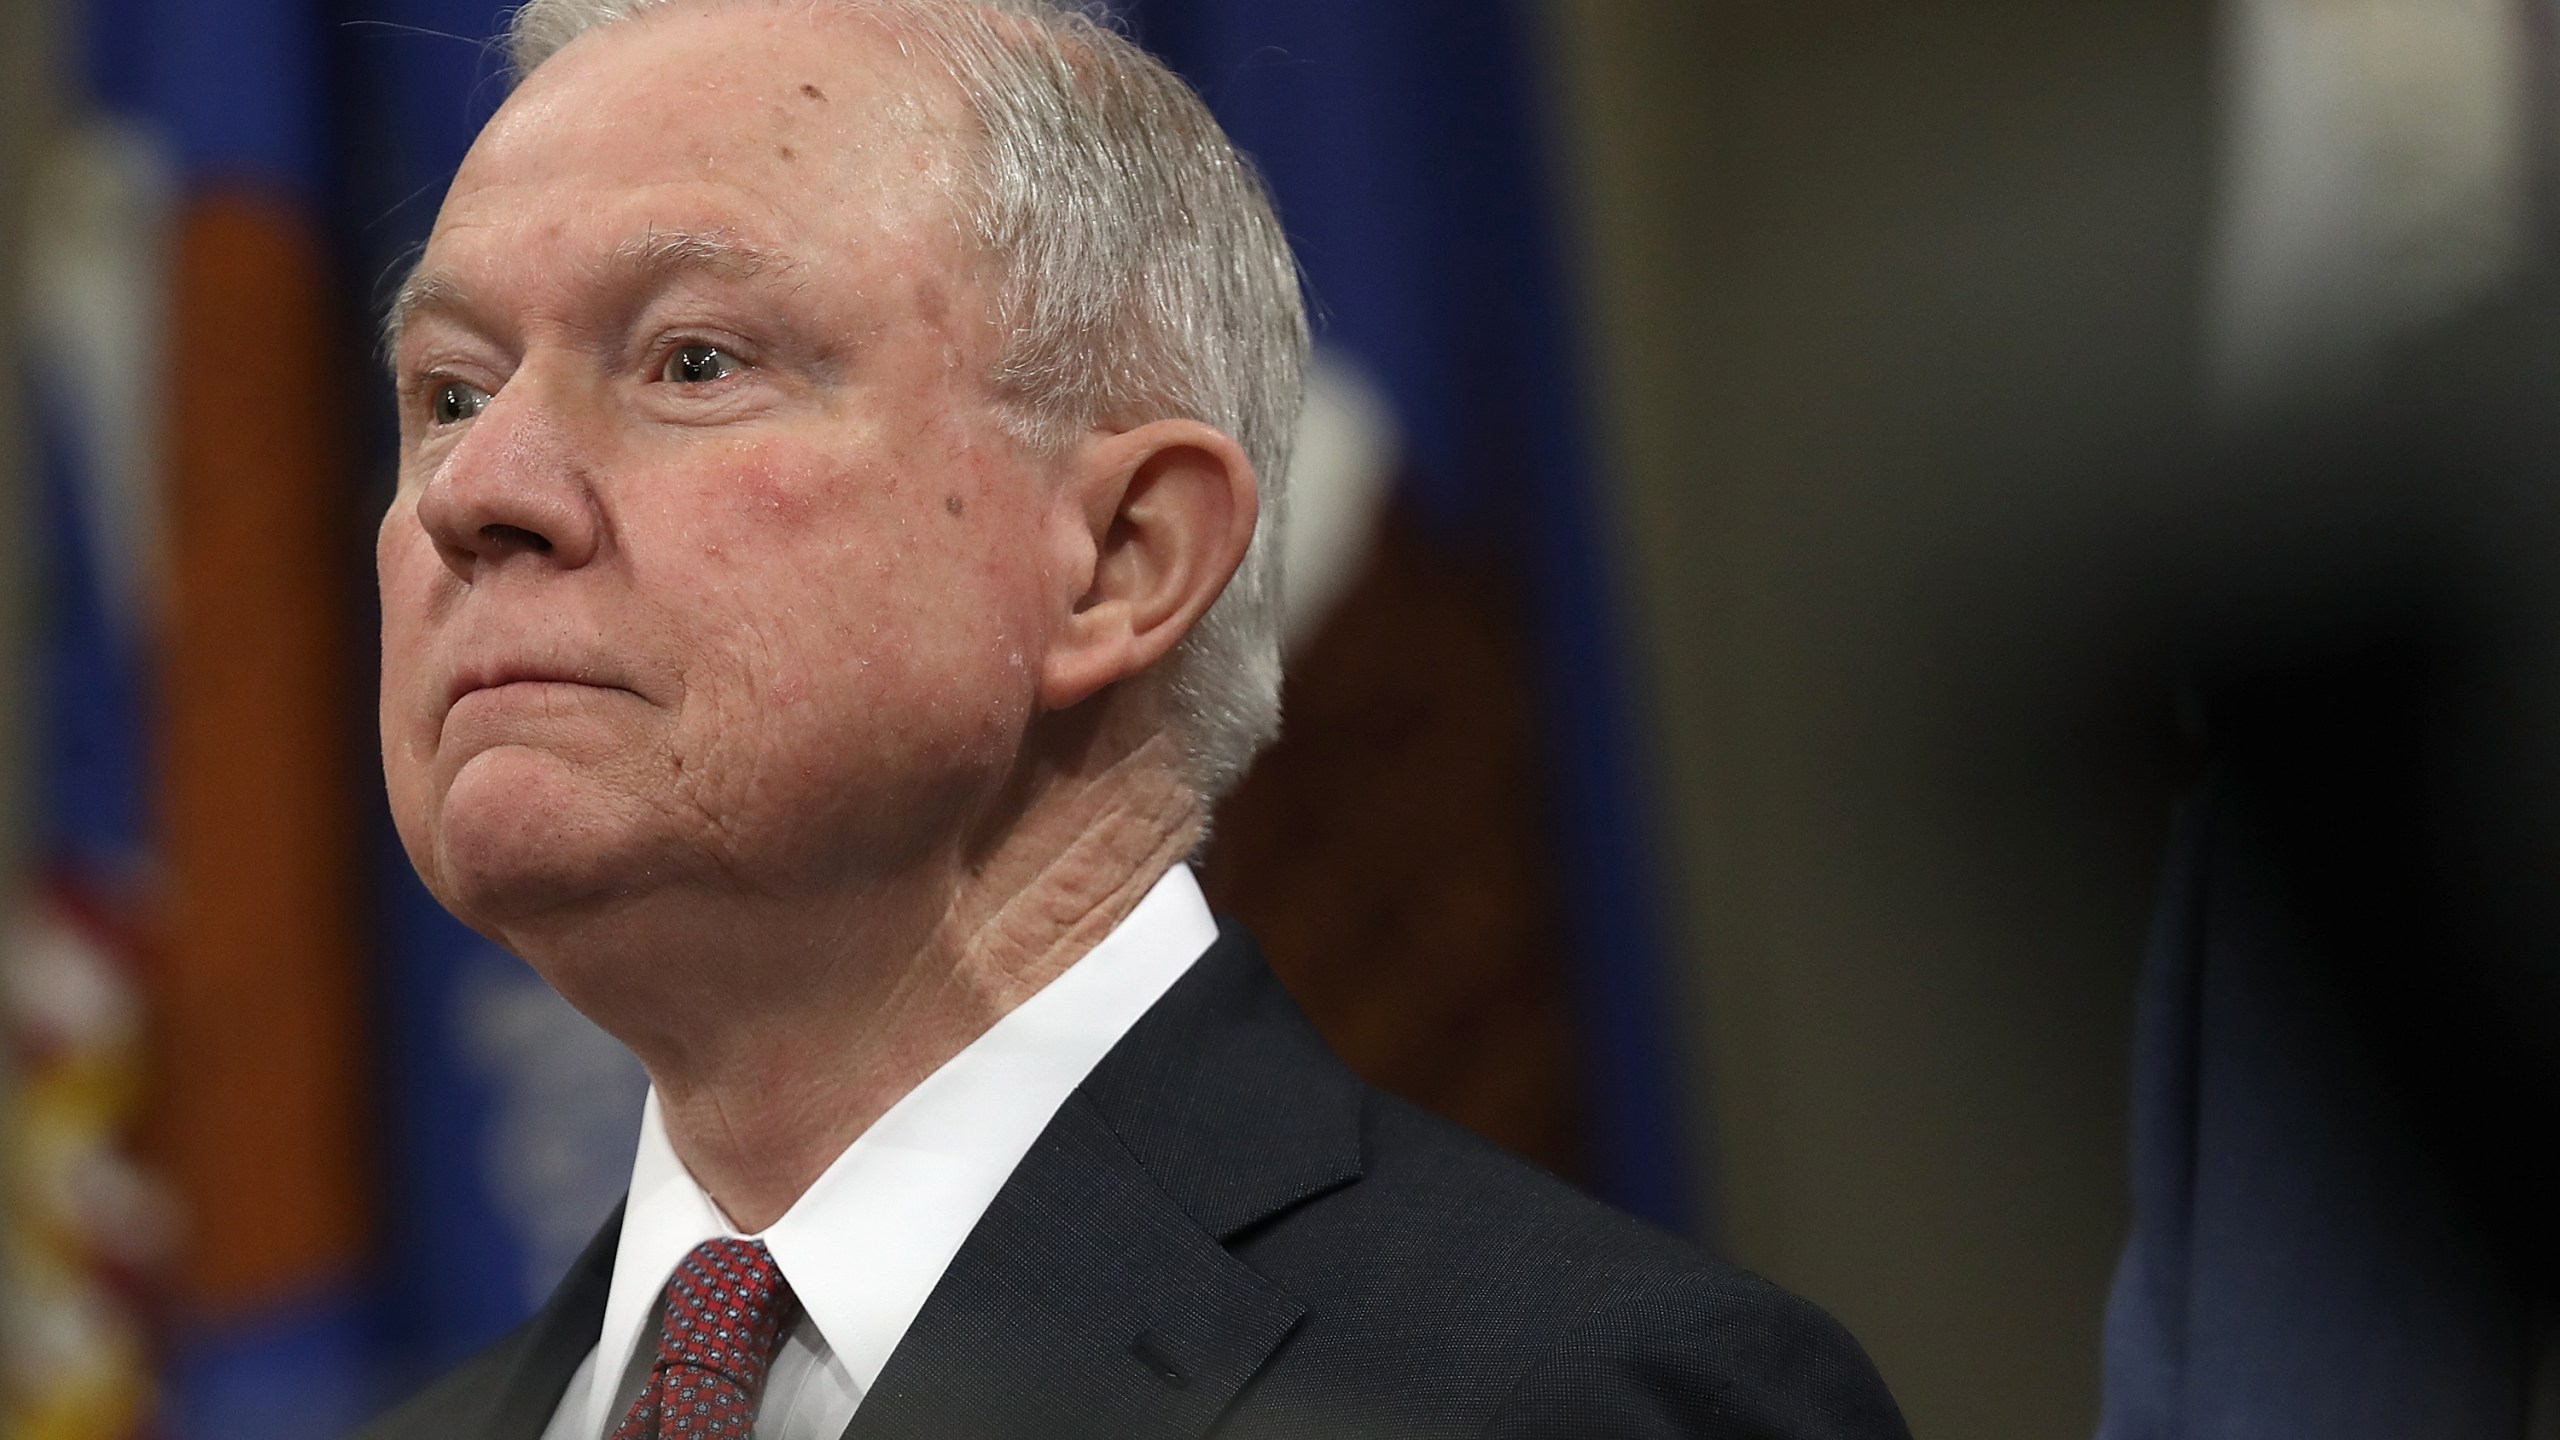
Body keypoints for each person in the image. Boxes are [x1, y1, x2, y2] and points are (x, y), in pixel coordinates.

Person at [354, 2, 1911, 1436]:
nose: (476, 493)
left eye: (695, 359)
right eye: (452, 392)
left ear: (1120, 559)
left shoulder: (1574, 1400)